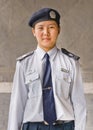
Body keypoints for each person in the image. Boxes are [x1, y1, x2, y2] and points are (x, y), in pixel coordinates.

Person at [7, 8, 86, 130]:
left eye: (51, 27)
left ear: (59, 30)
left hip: (65, 126)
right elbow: (17, 103)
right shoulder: (24, 64)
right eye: (40, 28)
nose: (46, 33)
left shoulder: (71, 62)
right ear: (33, 31)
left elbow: (79, 103)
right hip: (33, 126)